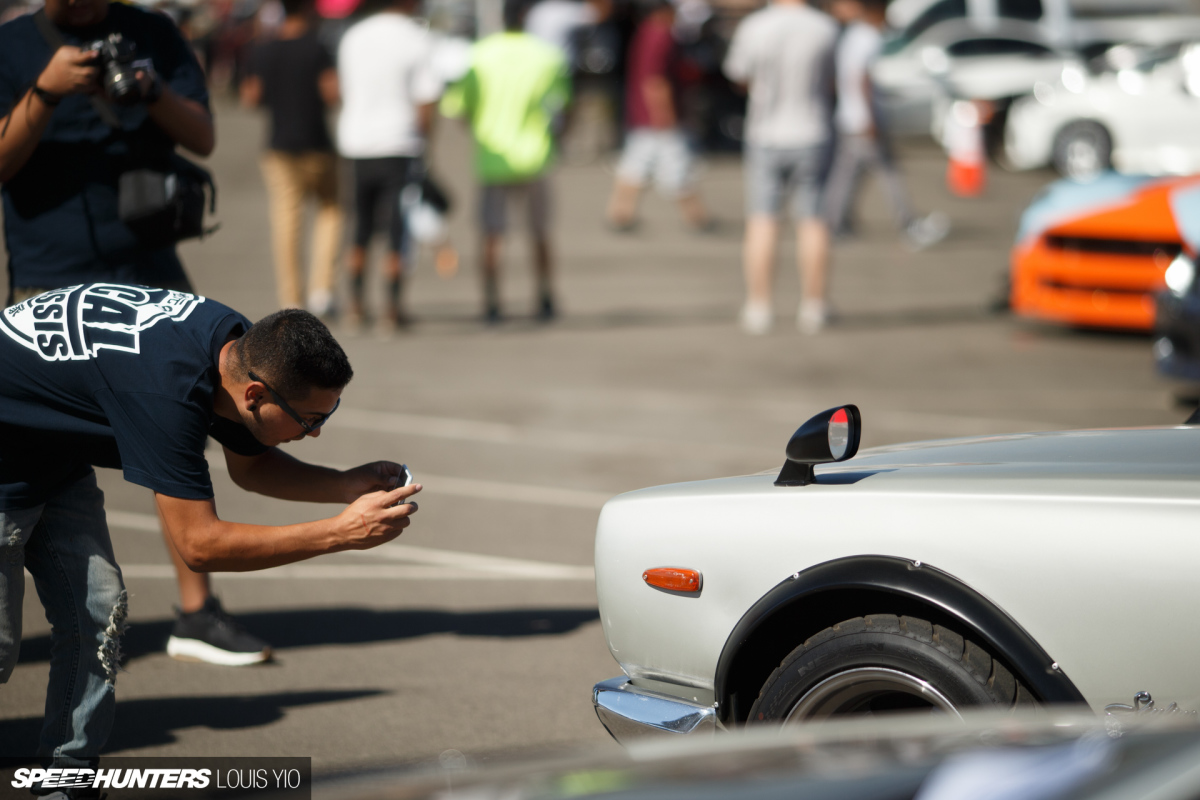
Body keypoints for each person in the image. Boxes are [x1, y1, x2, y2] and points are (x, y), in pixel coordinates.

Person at [0, 287, 421, 766]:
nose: (316, 432)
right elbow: (200, 546)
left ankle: (66, 780)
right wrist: (339, 533)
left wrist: (347, 485)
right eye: (310, 419)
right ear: (256, 395)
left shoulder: (239, 349)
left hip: (50, 450)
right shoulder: (169, 392)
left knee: (97, 616)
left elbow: (253, 467)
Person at [0, 0, 277, 667]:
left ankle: (196, 611)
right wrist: (45, 90)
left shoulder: (152, 32)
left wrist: (149, 89)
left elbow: (203, 137)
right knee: (41, 452)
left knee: (188, 422)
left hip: (148, 266)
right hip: (54, 275)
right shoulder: (12, 48)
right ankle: (41, 626)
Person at [440, 0, 570, 323]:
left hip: (492, 157)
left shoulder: (479, 55)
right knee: (539, 231)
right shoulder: (546, 55)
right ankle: (544, 296)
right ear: (526, 19)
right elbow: (563, 105)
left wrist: (480, 128)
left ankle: (492, 302)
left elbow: (456, 107)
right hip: (534, 156)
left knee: (492, 233)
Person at [723, 0, 838, 335]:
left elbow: (738, 75)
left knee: (762, 221)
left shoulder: (755, 26)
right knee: (814, 222)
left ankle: (759, 305)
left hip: (766, 134)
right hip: (813, 131)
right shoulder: (825, 27)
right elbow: (832, 80)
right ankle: (814, 306)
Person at [336, 0, 442, 331]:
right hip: (400, 142)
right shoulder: (418, 38)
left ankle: (355, 305)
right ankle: (392, 310)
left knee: (361, 227)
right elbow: (426, 100)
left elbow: (343, 88)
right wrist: (425, 146)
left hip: (357, 142)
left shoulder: (353, 35)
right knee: (398, 229)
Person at [242, 0, 343, 319]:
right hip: (318, 144)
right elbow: (332, 94)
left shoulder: (263, 50)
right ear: (310, 9)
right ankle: (322, 289)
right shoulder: (319, 47)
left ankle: (291, 297)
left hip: (279, 145)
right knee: (331, 211)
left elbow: (251, 97)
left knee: (287, 221)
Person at [823, 0, 949, 249]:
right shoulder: (867, 36)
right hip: (862, 119)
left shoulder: (853, 35)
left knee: (847, 174)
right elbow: (862, 80)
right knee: (888, 172)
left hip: (849, 117)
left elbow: (843, 79)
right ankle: (907, 223)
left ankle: (833, 222)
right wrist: (869, 118)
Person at [605, 0, 712, 232]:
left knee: (636, 166)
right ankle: (697, 217)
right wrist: (665, 114)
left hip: (643, 115)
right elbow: (655, 80)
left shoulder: (645, 31)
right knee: (677, 167)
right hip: (657, 116)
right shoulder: (661, 34)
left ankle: (620, 213)